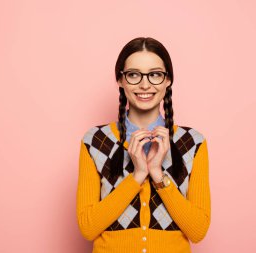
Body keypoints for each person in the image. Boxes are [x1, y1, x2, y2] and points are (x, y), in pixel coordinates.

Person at [76, 37, 211, 253]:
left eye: (155, 74)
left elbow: (197, 230)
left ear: (168, 80)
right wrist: (137, 176)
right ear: (120, 80)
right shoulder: (95, 141)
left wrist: (157, 174)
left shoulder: (193, 143)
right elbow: (88, 228)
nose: (145, 84)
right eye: (133, 74)